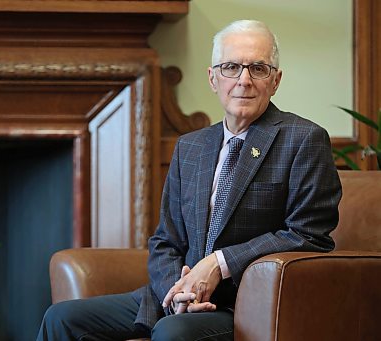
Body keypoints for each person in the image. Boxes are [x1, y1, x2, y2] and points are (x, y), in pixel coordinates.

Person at [36, 19, 342, 341]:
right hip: (175, 299)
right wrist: (176, 290)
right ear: (212, 78)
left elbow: (309, 235)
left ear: (276, 80)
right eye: (231, 67)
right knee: (62, 318)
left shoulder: (303, 139)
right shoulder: (191, 146)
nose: (244, 80)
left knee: (173, 333)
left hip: (243, 305)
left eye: (259, 69)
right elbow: (165, 240)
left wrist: (219, 263)